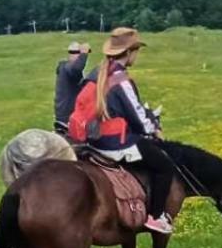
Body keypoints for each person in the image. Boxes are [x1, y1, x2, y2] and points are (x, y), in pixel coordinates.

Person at [66, 27, 176, 235]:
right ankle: (155, 216)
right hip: (116, 144)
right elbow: (139, 120)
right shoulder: (121, 80)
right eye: (136, 51)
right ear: (130, 52)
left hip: (93, 141)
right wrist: (155, 128)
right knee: (164, 165)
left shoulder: (99, 73)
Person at [53, 40, 90, 134]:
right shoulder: (69, 68)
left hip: (64, 113)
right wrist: (84, 54)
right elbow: (77, 68)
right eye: (78, 53)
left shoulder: (65, 67)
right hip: (67, 115)